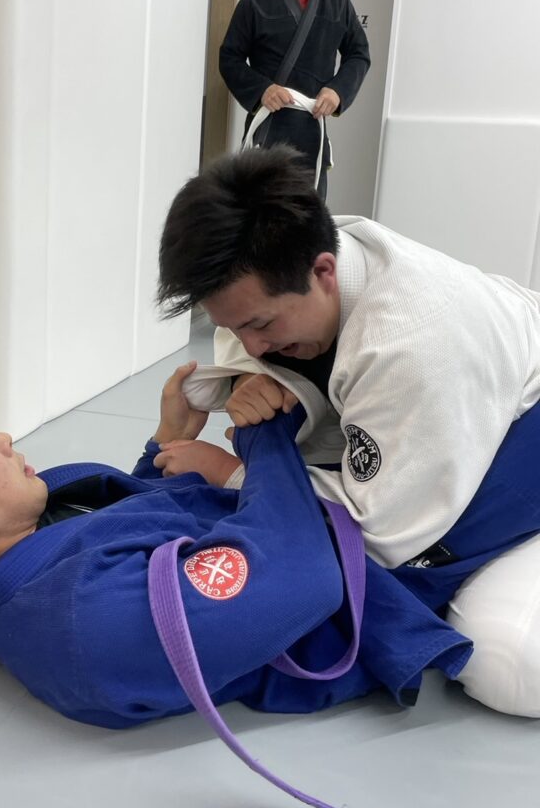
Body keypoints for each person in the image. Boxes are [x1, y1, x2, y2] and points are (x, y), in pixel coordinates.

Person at [0, 365, 469, 736]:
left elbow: (131, 539)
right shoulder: (93, 626)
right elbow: (303, 577)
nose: (1, 437)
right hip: (380, 577)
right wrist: (263, 440)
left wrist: (166, 442)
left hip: (281, 518)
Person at [157, 146, 540, 623]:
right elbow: (247, 334)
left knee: (396, 606)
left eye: (260, 325)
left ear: (324, 271)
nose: (251, 345)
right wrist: (248, 378)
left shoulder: (408, 349)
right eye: (235, 328)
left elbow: (376, 535)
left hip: (524, 414)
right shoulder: (285, 253)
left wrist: (233, 474)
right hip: (472, 360)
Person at [219, 0, 370, 197]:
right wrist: (262, 90)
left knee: (309, 218)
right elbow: (229, 58)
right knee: (260, 215)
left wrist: (338, 91)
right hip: (269, 132)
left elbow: (359, 53)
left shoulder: (337, 1)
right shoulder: (255, 3)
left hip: (312, 132)